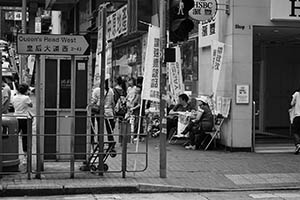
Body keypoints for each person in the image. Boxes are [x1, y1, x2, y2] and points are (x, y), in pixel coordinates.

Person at [91, 79, 115, 148]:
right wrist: (113, 111)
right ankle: (111, 143)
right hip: (109, 112)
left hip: (100, 112)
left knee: (100, 128)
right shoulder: (111, 90)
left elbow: (93, 101)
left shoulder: (96, 90)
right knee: (109, 129)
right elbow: (112, 102)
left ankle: (99, 143)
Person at [11, 83, 33, 158]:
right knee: (25, 137)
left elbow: (13, 105)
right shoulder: (26, 98)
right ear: (26, 90)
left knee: (14, 137)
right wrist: (28, 95)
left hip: (16, 118)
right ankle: (25, 156)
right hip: (24, 118)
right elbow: (31, 105)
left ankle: (13, 153)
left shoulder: (14, 97)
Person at [290, 88, 300, 154]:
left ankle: (298, 144)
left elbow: (292, 103)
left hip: (297, 116)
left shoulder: (296, 94)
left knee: (295, 132)